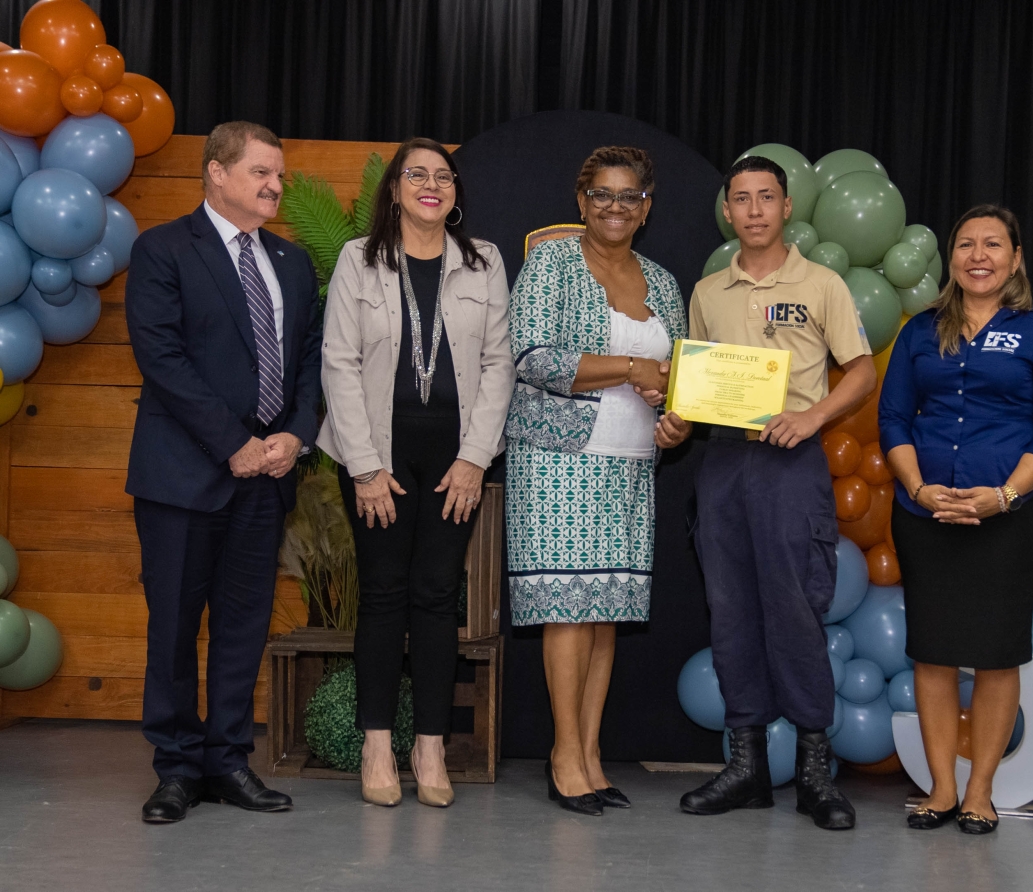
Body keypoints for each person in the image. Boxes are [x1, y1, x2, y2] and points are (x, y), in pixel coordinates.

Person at [659, 156, 875, 831]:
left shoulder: (821, 284)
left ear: (786, 208)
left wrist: (813, 417)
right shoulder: (707, 291)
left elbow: (861, 371)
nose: (753, 210)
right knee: (730, 611)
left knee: (795, 610)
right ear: (727, 211)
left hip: (791, 463)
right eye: (741, 199)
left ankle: (815, 772)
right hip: (723, 462)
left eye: (766, 198)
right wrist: (677, 421)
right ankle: (747, 764)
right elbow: (697, 384)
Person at [126, 122, 322, 823]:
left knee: (243, 627)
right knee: (175, 628)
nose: (275, 186)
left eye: (280, 175)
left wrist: (297, 433)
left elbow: (309, 361)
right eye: (261, 172)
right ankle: (177, 769)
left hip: (267, 478)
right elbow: (161, 357)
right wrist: (233, 442)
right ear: (216, 172)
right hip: (183, 476)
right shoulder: (162, 249)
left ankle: (229, 762)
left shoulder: (292, 263)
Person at [318, 138, 514, 808]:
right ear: (396, 188)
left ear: (455, 192)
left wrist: (475, 458)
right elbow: (338, 362)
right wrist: (365, 468)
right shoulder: (359, 258)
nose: (432, 184)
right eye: (417, 174)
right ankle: (377, 744)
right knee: (382, 594)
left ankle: (430, 747)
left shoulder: (483, 261)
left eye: (443, 176)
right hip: (378, 451)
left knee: (435, 595)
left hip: (455, 456)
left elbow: (498, 364)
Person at [878, 205, 1033, 834]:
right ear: (951, 258)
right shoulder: (920, 331)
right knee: (932, 653)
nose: (978, 256)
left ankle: (980, 793)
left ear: (1015, 259)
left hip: (1009, 521)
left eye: (993, 245)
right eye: (966, 245)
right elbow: (893, 420)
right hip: (925, 515)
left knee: (997, 655)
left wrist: (1005, 496)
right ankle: (940, 790)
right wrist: (918, 488)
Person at [505, 146, 686, 816]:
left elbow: (679, 378)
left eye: (628, 196)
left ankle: (590, 754)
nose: (615, 207)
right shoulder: (551, 263)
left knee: (605, 613)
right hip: (557, 461)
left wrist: (675, 423)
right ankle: (563, 757)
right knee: (568, 608)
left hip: (632, 464)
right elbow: (531, 356)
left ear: (646, 207)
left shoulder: (663, 281)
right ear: (582, 202)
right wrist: (632, 370)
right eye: (602, 195)